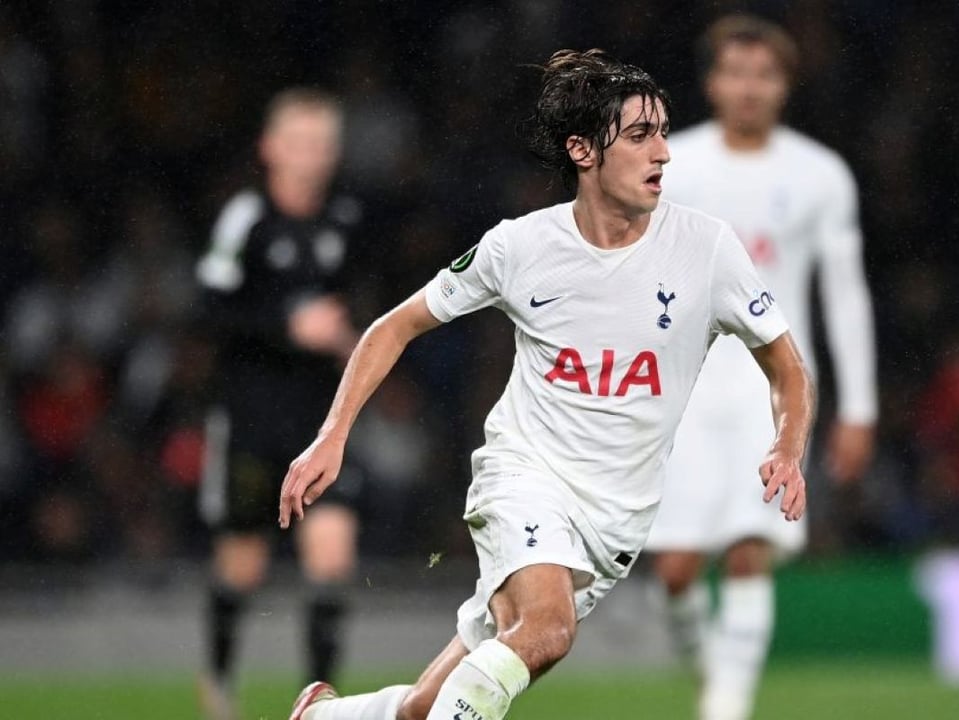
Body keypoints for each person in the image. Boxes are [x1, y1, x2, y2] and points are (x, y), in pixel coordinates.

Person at [278, 49, 815, 720]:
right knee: (547, 631)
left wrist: (787, 445)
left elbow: (787, 365)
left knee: (428, 705)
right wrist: (332, 435)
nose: (663, 153)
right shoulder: (520, 247)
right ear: (583, 150)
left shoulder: (706, 249)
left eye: (663, 132)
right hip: (524, 477)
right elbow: (394, 326)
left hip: (613, 522)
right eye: (640, 135)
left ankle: (323, 716)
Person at [643, 15, 878, 720]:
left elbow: (844, 293)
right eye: (736, 72)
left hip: (771, 390)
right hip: (683, 388)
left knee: (751, 548)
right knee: (676, 569)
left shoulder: (819, 175)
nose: (749, 87)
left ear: (785, 86)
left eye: (764, 75)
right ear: (712, 82)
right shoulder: (671, 166)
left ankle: (727, 705)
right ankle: (711, 676)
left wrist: (859, 407)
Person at [195, 88, 366, 720]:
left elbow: (359, 304)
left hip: (320, 424)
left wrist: (349, 339)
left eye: (322, 144)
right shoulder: (246, 219)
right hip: (251, 420)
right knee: (242, 567)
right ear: (270, 148)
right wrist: (287, 328)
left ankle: (318, 704)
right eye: (300, 143)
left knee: (332, 560)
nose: (312, 156)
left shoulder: (345, 221)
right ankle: (217, 684)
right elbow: (208, 310)